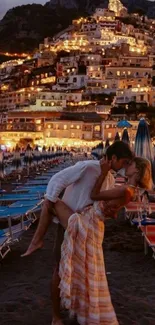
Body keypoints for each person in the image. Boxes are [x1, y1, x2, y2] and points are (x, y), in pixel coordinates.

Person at [22, 141, 134, 325]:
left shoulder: (110, 180)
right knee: (59, 270)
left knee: (82, 273)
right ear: (113, 158)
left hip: (89, 230)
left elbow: (101, 204)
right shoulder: (88, 167)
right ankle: (56, 316)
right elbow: (57, 180)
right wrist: (51, 202)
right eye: (124, 161)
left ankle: (78, 310)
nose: (124, 166)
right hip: (68, 226)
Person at [52, 157, 152, 325]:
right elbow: (112, 210)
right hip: (94, 222)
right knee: (87, 269)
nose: (127, 165)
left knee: (51, 201)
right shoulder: (130, 191)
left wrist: (104, 171)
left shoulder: (126, 190)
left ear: (137, 170)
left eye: (131, 164)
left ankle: (37, 241)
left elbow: (94, 194)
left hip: (88, 221)